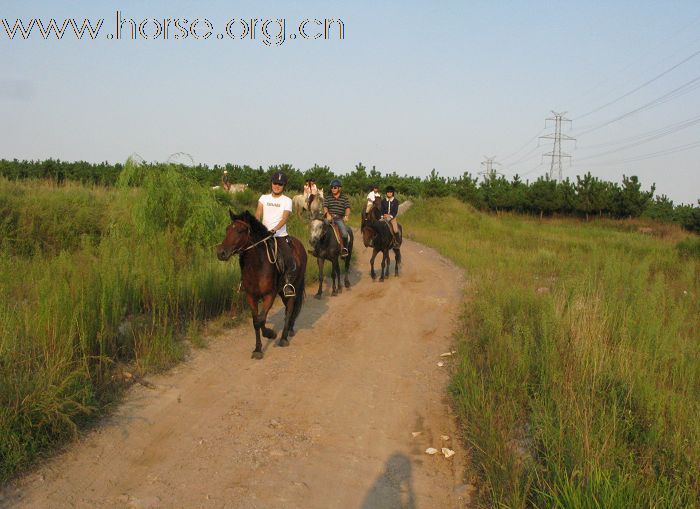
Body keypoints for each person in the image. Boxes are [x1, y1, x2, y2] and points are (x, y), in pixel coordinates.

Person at [255, 171, 297, 297]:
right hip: (263, 235)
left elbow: (284, 218)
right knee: (247, 254)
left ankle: (288, 283)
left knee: (289, 258)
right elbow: (258, 213)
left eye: (280, 184)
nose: (277, 186)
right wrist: (256, 226)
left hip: (279, 235)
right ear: (271, 183)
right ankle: (245, 282)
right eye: (275, 183)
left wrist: (274, 230)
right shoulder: (263, 198)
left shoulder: (287, 200)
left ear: (284, 186)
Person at [323, 178, 351, 257]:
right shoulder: (328, 197)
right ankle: (318, 248)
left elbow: (347, 208)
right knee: (319, 227)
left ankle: (344, 249)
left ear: (339, 188)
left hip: (339, 219)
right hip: (329, 217)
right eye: (332, 187)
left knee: (345, 234)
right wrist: (327, 214)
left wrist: (346, 216)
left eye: (335, 187)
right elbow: (325, 207)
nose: (333, 189)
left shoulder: (344, 198)